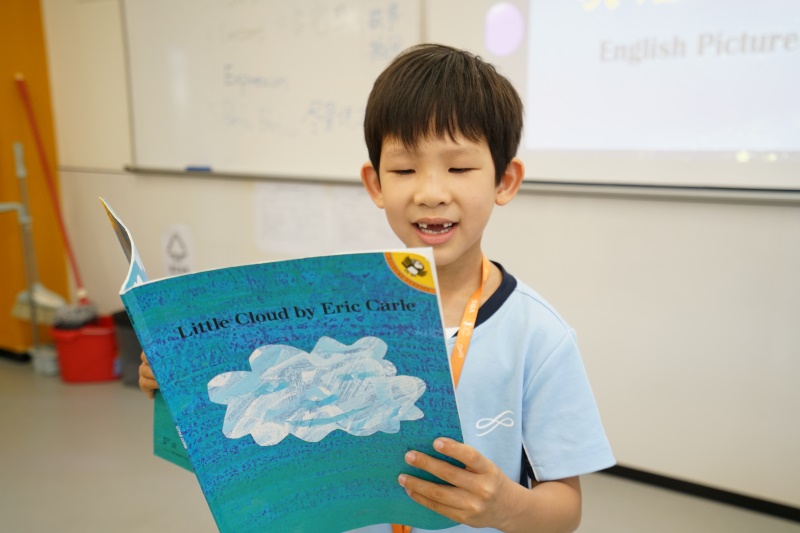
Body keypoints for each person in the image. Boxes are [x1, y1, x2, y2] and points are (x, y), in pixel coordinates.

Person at [140, 43, 614, 532]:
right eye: (405, 170)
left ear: (505, 181)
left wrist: (504, 507)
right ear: (375, 185)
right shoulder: (328, 320)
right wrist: (179, 384)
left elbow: (565, 510)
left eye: (459, 168)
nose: (431, 192)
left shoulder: (539, 335)